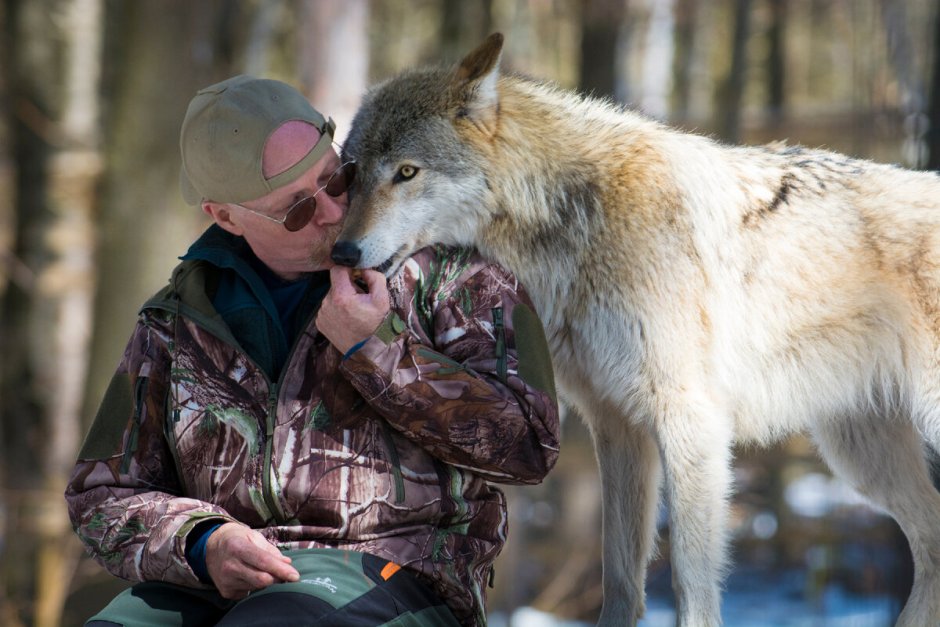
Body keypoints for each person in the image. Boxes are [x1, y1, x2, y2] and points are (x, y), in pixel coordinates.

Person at [65, 74, 560, 627]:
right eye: (296, 208)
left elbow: (529, 449)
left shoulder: (450, 273)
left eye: (337, 178)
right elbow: (103, 492)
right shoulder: (177, 318)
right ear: (226, 217)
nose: (332, 212)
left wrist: (376, 351)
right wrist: (203, 543)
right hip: (214, 586)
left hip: (396, 574)